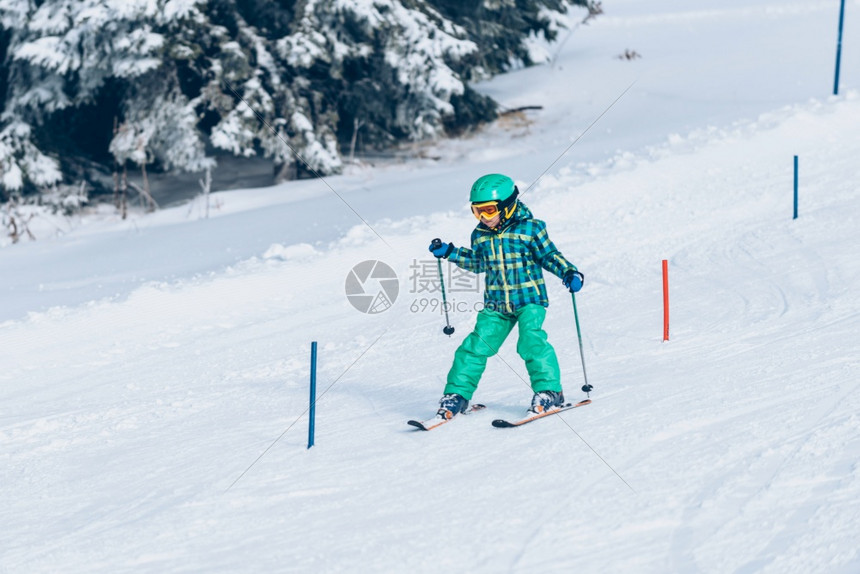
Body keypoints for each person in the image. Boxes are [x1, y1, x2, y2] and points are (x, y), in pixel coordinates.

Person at [428, 173, 584, 420]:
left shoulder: (532, 228)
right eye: (477, 211)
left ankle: (549, 391)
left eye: (488, 211)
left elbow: (549, 256)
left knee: (531, 342)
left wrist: (568, 271)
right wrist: (450, 252)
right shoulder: (480, 234)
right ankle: (457, 395)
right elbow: (479, 263)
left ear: (508, 206)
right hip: (497, 303)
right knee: (474, 347)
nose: (482, 218)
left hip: (529, 299)